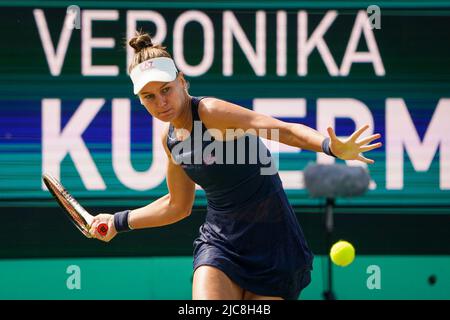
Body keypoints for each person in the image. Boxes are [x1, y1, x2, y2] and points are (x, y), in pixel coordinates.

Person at [89, 31, 382, 300]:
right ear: (140, 100)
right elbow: (177, 205)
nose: (161, 102)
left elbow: (282, 130)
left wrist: (330, 146)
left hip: (273, 244)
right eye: (149, 97)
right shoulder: (170, 141)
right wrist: (117, 221)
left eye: (166, 89)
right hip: (221, 242)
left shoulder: (211, 112)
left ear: (181, 80)